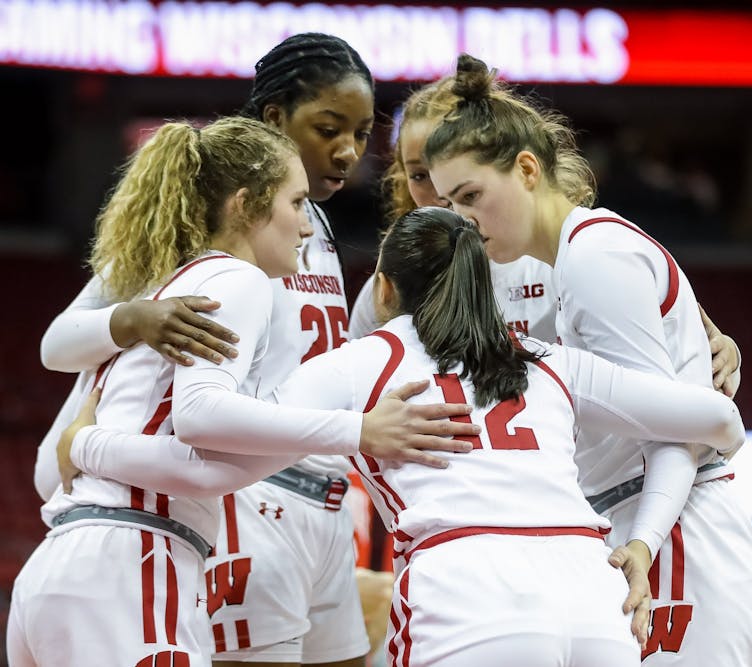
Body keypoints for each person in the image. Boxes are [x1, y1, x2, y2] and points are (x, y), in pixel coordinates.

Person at [58, 206, 749, 667]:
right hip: (592, 590)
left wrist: (88, 445)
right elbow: (720, 421)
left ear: (384, 288)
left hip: (468, 587)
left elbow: (215, 465)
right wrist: (715, 347)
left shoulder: (366, 361)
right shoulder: (548, 360)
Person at [11, 116, 474, 667]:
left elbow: (80, 458)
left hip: (64, 566)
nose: (308, 227)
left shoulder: (167, 281)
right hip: (133, 563)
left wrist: (83, 445)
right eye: (297, 204)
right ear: (243, 205)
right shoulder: (237, 278)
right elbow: (201, 417)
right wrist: (360, 431)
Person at [423, 54, 752, 665]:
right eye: (451, 203)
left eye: (471, 195)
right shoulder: (581, 255)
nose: (463, 221)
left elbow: (677, 428)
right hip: (645, 525)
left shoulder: (593, 258)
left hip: (673, 533)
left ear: (527, 169)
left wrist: (643, 541)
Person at [348, 76, 743, 398]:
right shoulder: (394, 282)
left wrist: (724, 351)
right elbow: (353, 392)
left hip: (572, 477)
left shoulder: (575, 251)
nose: (437, 190)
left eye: (460, 179)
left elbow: (685, 341)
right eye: (420, 175)